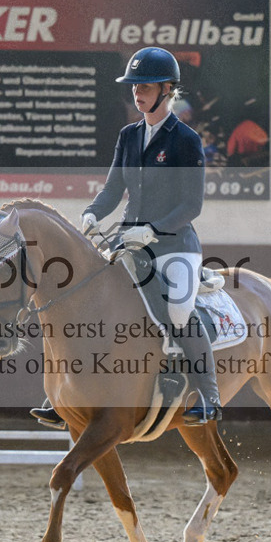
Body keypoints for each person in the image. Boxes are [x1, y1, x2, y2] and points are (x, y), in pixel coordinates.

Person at [31, 47, 222, 427]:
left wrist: (152, 229)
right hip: (128, 240)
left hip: (173, 245)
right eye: (134, 86)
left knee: (180, 311)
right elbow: (112, 188)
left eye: (146, 86)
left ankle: (209, 394)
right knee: (90, 297)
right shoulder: (128, 135)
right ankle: (68, 392)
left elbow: (192, 205)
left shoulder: (186, 139)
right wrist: (91, 213)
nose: (138, 93)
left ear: (167, 89)